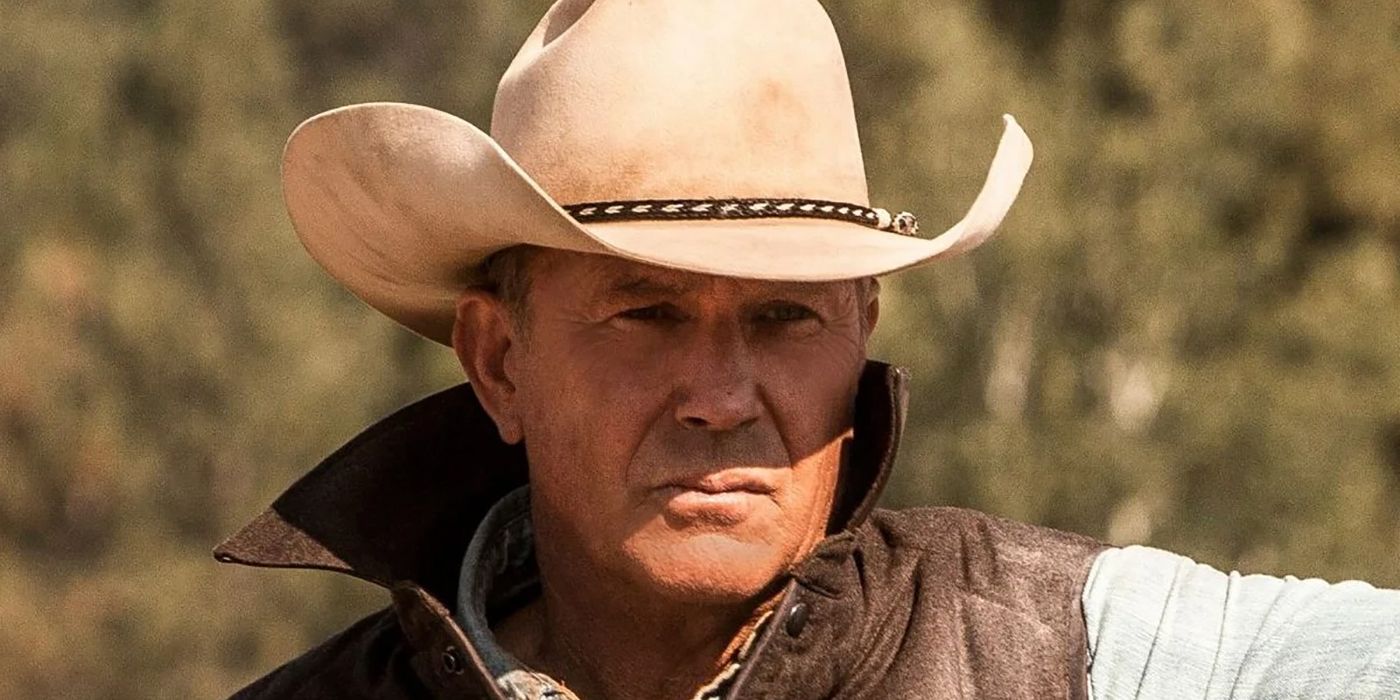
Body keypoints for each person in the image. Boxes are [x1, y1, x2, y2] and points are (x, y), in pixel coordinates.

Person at [215, 1, 1400, 698]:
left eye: (785, 316)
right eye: (646, 312)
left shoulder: (1057, 647)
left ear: (861, 328)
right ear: (499, 360)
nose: (723, 396)